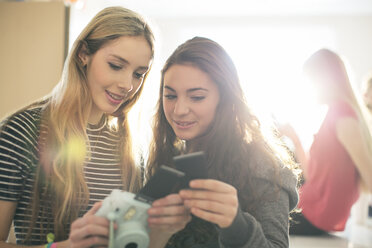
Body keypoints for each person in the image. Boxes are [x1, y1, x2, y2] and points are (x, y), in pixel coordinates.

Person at [0, 6, 189, 248]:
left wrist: (164, 230)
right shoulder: (21, 132)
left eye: (138, 74)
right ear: (83, 54)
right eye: (116, 65)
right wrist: (65, 246)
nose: (127, 85)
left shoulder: (131, 147)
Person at [146, 36, 299, 247]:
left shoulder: (263, 168)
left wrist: (236, 224)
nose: (179, 110)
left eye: (197, 97)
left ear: (225, 99)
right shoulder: (166, 158)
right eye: (170, 96)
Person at [278, 48, 372, 235]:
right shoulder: (334, 113)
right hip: (311, 205)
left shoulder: (344, 118)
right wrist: (295, 139)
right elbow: (313, 176)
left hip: (317, 214)